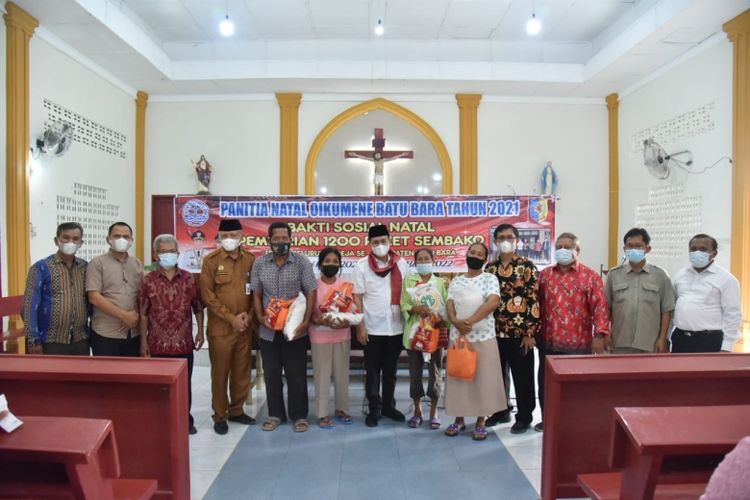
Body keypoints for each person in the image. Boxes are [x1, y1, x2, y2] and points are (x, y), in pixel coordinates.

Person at [536, 232, 609, 432]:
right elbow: (536, 306)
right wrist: (531, 333)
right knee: (546, 384)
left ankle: (576, 420)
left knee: (577, 386)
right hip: (549, 341)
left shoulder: (590, 276)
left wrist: (600, 335)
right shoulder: (544, 275)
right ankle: (547, 420)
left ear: (577, 251)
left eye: (567, 247)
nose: (562, 250)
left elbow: (600, 308)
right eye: (559, 246)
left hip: (579, 343)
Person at [251, 222, 316, 433]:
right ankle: (275, 414)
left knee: (296, 373)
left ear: (291, 239)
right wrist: (260, 317)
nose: (281, 242)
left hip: (295, 329)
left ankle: (299, 416)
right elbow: (256, 292)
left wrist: (306, 321)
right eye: (276, 239)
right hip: (268, 329)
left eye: (284, 238)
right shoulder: (260, 263)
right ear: (269, 240)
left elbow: (311, 291)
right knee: (271, 374)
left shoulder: (302, 262)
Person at [140, 234, 205, 435]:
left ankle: (185, 420)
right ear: (155, 254)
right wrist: (143, 342)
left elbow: (198, 308)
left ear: (177, 253)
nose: (168, 255)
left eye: (171, 251)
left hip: (183, 343)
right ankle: (161, 421)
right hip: (157, 343)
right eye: (163, 251)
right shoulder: (147, 280)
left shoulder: (188, 279)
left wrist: (201, 332)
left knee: (184, 386)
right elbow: (143, 313)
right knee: (159, 388)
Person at [444, 242, 506, 441]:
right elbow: (450, 303)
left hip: (483, 337)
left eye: (480, 254)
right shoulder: (457, 281)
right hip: (459, 338)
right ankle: (459, 419)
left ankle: (481, 421)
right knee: (460, 379)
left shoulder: (489, 278)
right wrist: (454, 321)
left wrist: (469, 321)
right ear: (466, 255)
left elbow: (493, 302)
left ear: (485, 259)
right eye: (472, 252)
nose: (475, 256)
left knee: (483, 380)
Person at [200, 219, 256, 435]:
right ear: (219, 237)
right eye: (225, 236)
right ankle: (220, 415)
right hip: (221, 329)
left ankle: (236, 410)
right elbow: (208, 296)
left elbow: (256, 291)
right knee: (221, 373)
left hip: (244, 327)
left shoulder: (250, 260)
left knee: (242, 372)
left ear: (242, 235)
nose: (230, 239)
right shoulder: (211, 261)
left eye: (234, 234)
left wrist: (248, 317)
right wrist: (231, 318)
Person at [484, 224, 539, 434]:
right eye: (501, 237)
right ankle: (500, 410)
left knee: (523, 376)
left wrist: (529, 332)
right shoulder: (489, 268)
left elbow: (533, 300)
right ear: (496, 242)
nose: (505, 240)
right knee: (496, 375)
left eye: (510, 237)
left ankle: (524, 416)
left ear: (517, 240)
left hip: (519, 332)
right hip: (493, 332)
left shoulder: (527, 266)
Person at [353, 224, 409, 427]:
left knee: (391, 370)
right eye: (375, 242)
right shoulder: (361, 265)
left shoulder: (401, 263)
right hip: (372, 327)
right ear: (369, 244)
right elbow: (357, 297)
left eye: (383, 241)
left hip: (396, 327)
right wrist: (360, 326)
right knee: (373, 370)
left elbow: (408, 293)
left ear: (390, 241)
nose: (380, 245)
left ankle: (388, 406)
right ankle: (374, 409)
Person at [23, 222, 89, 355]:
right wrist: (33, 340)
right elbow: (29, 306)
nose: (71, 242)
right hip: (50, 341)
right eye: (66, 237)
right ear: (56, 240)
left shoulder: (85, 267)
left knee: (80, 376)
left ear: (81, 243)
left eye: (75, 239)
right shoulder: (40, 268)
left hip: (80, 340)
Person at [605, 228, 675, 354]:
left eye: (638, 246)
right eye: (629, 246)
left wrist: (663, 338)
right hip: (620, 341)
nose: (633, 250)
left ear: (647, 249)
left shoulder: (660, 275)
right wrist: (606, 334)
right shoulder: (614, 275)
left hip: (650, 343)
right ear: (624, 249)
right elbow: (606, 308)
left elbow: (666, 310)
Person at [400, 248, 448, 430]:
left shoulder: (441, 282)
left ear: (433, 261)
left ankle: (434, 412)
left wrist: (440, 317)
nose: (423, 262)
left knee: (435, 373)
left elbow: (446, 305)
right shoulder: (409, 281)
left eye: (426, 258)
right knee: (415, 374)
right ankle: (417, 411)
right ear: (415, 262)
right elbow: (403, 303)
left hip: (434, 334)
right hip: (414, 335)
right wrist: (415, 309)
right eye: (419, 259)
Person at [671, 233, 741, 353]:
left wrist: (727, 347)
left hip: (709, 341)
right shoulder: (680, 275)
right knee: (679, 372)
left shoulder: (726, 279)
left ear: (714, 253)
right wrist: (666, 337)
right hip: (680, 339)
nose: (697, 252)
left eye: (703, 249)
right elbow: (673, 308)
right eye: (693, 249)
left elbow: (733, 315)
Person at [309, 247, 352, 429]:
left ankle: (341, 409)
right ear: (320, 264)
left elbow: (352, 311)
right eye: (327, 261)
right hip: (320, 337)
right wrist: (319, 319)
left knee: (342, 376)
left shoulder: (346, 285)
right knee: (322, 377)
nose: (331, 265)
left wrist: (345, 322)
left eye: (335, 262)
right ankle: (322, 413)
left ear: (340, 265)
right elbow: (308, 311)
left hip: (342, 336)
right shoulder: (313, 286)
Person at [86, 222, 143, 357]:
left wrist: (134, 316)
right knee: (107, 376)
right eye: (117, 236)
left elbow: (142, 294)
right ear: (108, 239)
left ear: (131, 241)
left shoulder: (137, 263)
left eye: (126, 237)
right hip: (106, 333)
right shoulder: (97, 263)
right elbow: (94, 297)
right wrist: (124, 316)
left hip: (133, 332)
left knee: (131, 375)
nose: (122, 240)